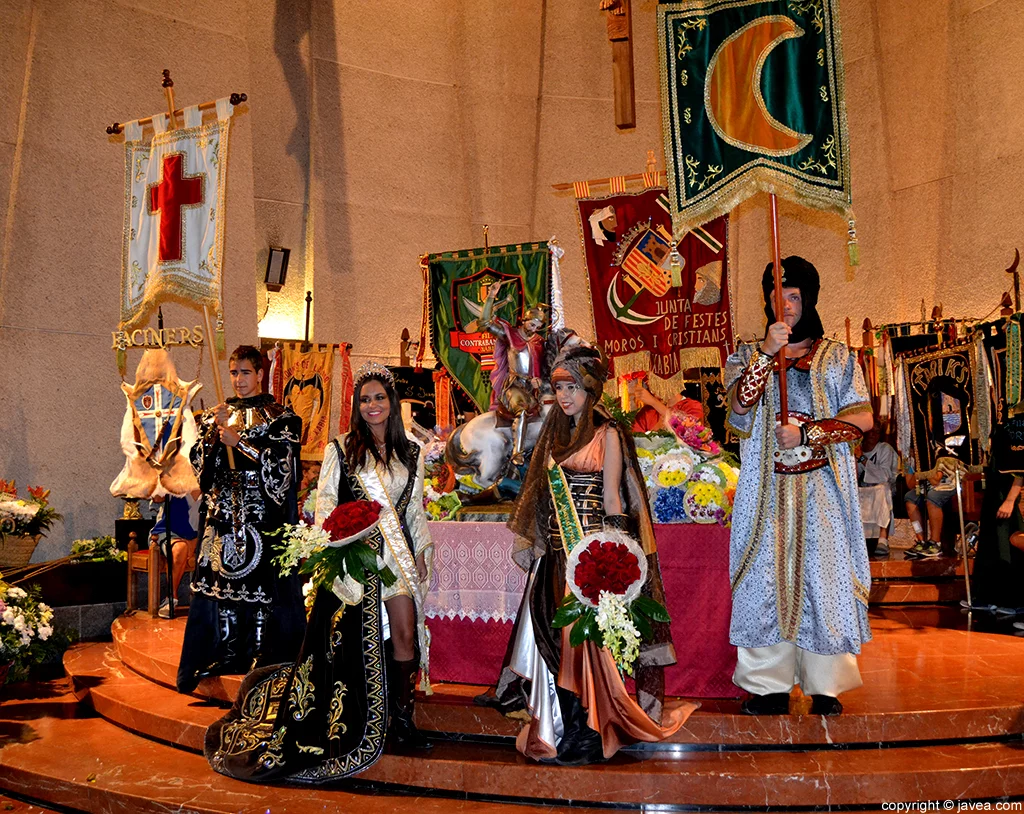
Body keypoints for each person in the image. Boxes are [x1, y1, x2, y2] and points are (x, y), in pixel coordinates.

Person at [205, 361, 434, 783]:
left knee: (405, 632)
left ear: (392, 401)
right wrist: (337, 546)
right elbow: (326, 503)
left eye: (379, 398)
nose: (372, 406)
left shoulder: (412, 453)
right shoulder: (342, 448)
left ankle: (402, 719)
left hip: (396, 558)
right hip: (356, 559)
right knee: (348, 645)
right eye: (364, 399)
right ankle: (355, 719)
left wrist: (421, 549)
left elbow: (414, 511)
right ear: (356, 405)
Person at [490, 344, 694, 765]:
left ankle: (588, 729)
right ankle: (564, 726)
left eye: (572, 387)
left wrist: (616, 559)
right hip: (555, 556)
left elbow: (615, 497)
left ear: (591, 388)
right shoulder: (555, 433)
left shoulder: (609, 433)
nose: (564, 396)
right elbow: (541, 496)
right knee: (552, 638)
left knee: (583, 642)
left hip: (591, 557)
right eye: (559, 387)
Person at [725, 256, 873, 717]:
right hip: (766, 496)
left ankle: (824, 685)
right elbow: (738, 411)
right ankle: (767, 686)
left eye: (792, 296)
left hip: (822, 496)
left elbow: (862, 420)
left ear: (807, 300)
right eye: (775, 296)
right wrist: (766, 356)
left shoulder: (839, 358)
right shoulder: (748, 355)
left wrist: (809, 433)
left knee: (823, 582)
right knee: (764, 581)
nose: (784, 305)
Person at [177, 345, 305, 693]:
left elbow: (283, 468)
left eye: (245, 373)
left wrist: (242, 445)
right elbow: (200, 468)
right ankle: (229, 650)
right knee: (223, 585)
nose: (238, 380)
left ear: (260, 374)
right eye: (233, 373)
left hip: (261, 514)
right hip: (222, 512)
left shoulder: (281, 417)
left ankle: (261, 653)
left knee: (261, 585)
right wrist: (213, 439)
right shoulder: (217, 414)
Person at [973, 418, 1024, 612]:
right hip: (994, 489)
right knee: (991, 543)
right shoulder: (999, 419)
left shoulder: (1017, 423)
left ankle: (1012, 600)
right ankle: (990, 595)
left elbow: (1020, 470)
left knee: (1006, 546)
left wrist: (1010, 500)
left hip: (1006, 493)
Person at [149, 493, 198, 618]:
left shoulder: (211, 484)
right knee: (180, 548)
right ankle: (171, 598)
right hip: (168, 532)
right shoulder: (175, 481)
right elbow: (157, 498)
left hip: (198, 535)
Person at [857, 424, 898, 558]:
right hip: (862, 487)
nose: (874, 435)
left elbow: (884, 475)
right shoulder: (856, 449)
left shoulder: (884, 449)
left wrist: (862, 459)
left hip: (883, 486)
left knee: (882, 489)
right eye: (871, 431)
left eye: (877, 432)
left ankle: (883, 539)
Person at [903, 456, 957, 559]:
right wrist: (917, 472)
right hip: (925, 486)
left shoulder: (934, 454)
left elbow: (935, 480)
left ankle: (935, 543)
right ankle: (921, 541)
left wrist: (923, 469)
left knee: (932, 497)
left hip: (947, 484)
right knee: (909, 497)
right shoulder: (907, 460)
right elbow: (910, 484)